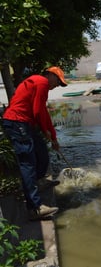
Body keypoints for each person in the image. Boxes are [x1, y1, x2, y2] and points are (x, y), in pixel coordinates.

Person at [1, 66, 66, 220]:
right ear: (50, 75)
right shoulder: (42, 82)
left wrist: (54, 138)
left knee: (42, 152)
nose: (57, 85)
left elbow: (42, 112)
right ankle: (34, 208)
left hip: (25, 124)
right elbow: (38, 112)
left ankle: (38, 182)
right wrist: (46, 132)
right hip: (17, 123)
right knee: (27, 164)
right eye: (58, 81)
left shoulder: (40, 84)